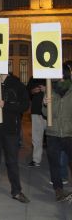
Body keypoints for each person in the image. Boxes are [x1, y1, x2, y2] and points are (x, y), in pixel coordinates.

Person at [0, 73, 30, 203]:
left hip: (11, 131)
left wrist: (6, 105)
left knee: (12, 162)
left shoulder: (16, 84)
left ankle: (17, 191)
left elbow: (24, 105)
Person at [42, 63, 72, 201]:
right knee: (54, 163)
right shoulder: (50, 89)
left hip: (69, 133)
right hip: (53, 133)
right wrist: (45, 104)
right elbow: (46, 114)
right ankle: (58, 190)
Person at [26, 76, 46, 167]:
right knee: (36, 137)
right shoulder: (34, 77)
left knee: (53, 138)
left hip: (52, 113)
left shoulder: (53, 75)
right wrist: (32, 91)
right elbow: (27, 92)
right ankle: (36, 159)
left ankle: (56, 160)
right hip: (36, 110)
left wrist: (47, 89)